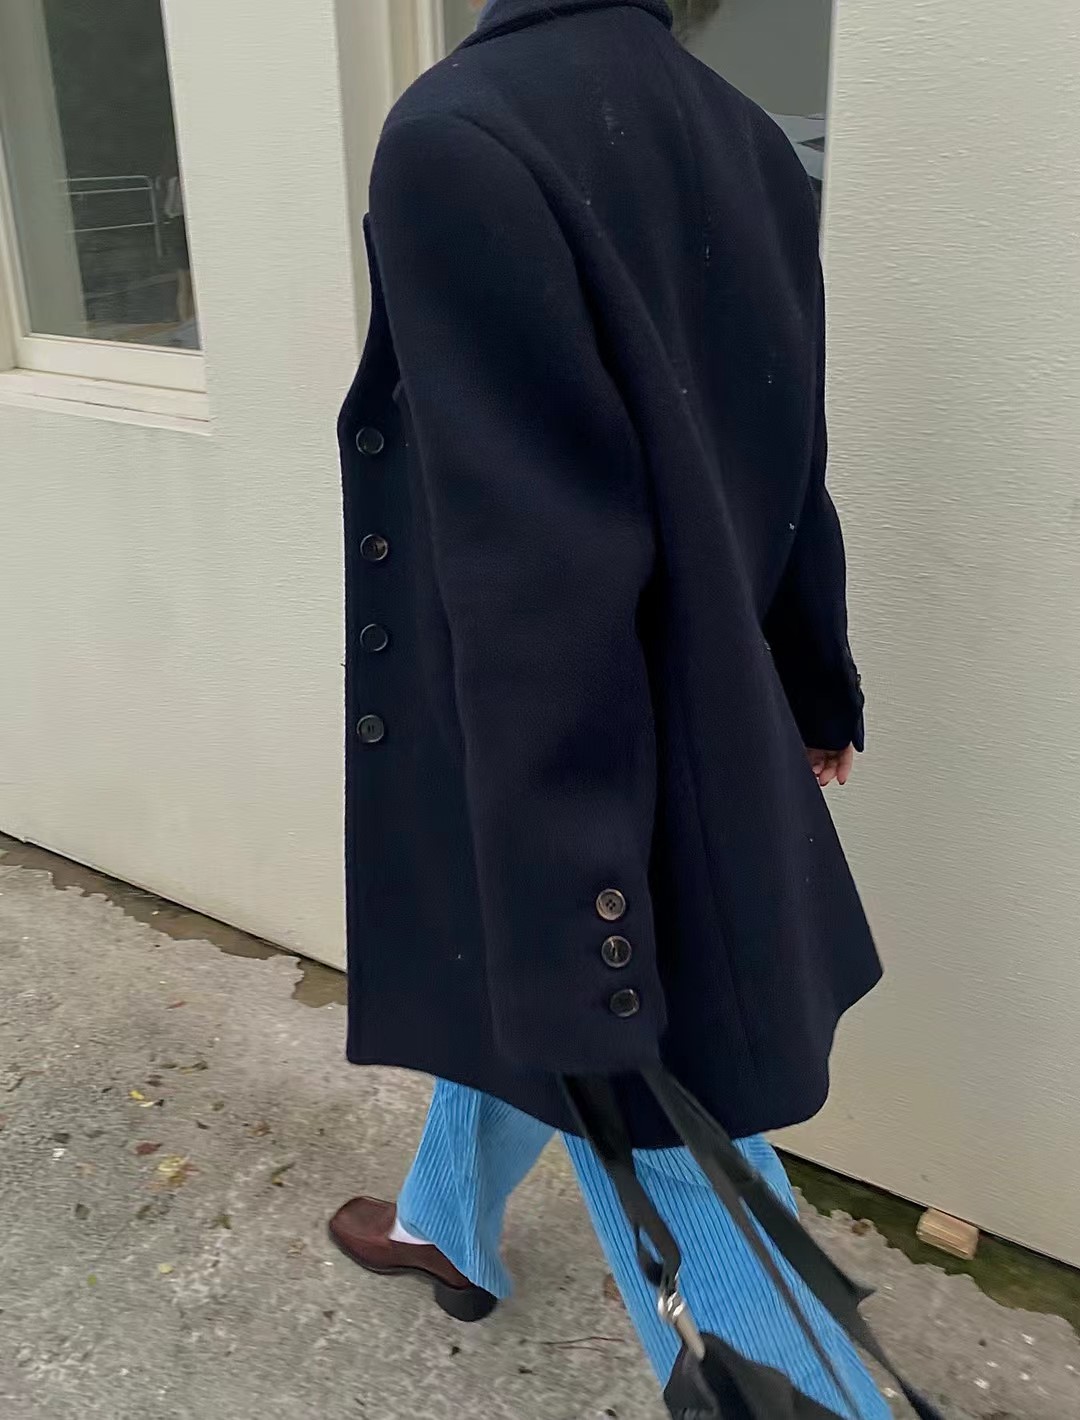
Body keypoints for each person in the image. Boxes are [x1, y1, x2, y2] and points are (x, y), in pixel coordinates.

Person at [333, 1, 886, 1413]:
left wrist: (583, 913)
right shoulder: (751, 142)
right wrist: (810, 679)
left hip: (574, 748)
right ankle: (444, 1224)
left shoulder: (458, 135)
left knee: (642, 1089)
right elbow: (788, 456)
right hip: (690, 716)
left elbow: (541, 586)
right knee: (512, 982)